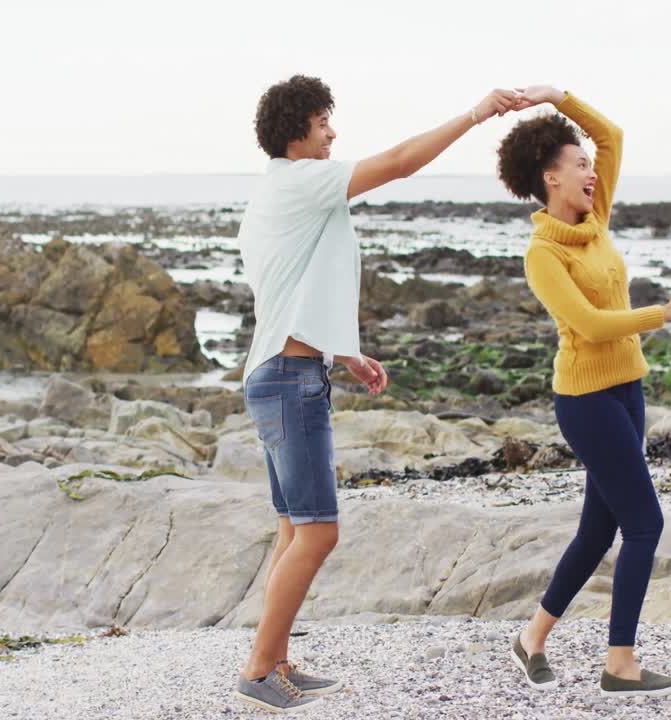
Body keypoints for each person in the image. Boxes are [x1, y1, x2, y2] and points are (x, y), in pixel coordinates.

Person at [234, 74, 520, 713]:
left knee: (293, 528)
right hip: (288, 379)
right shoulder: (302, 180)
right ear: (295, 130)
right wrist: (475, 113)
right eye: (323, 121)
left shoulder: (273, 195)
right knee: (318, 533)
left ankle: (277, 661)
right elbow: (397, 163)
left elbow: (292, 288)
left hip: (280, 371)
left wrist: (345, 352)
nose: (332, 131)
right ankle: (259, 669)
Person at [496, 83, 671, 698]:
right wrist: (661, 314)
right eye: (579, 164)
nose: (592, 170)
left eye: (591, 166)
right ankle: (620, 664)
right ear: (551, 177)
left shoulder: (596, 219)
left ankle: (531, 638)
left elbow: (611, 136)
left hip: (626, 393)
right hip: (585, 403)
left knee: (598, 529)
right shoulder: (542, 255)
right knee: (644, 524)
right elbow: (587, 327)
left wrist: (557, 96)